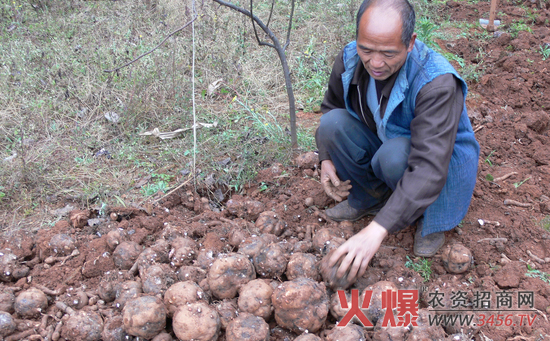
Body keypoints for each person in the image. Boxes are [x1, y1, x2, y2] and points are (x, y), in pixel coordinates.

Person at [315, 0, 479, 283]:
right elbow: (331, 107)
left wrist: (376, 231)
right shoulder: (350, 58)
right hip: (390, 144)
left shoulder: (436, 83)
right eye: (366, 49)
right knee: (332, 126)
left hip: (438, 166)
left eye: (388, 53)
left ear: (411, 43)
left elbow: (429, 167)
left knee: (392, 156)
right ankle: (370, 197)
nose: (376, 63)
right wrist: (325, 157)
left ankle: (431, 216)